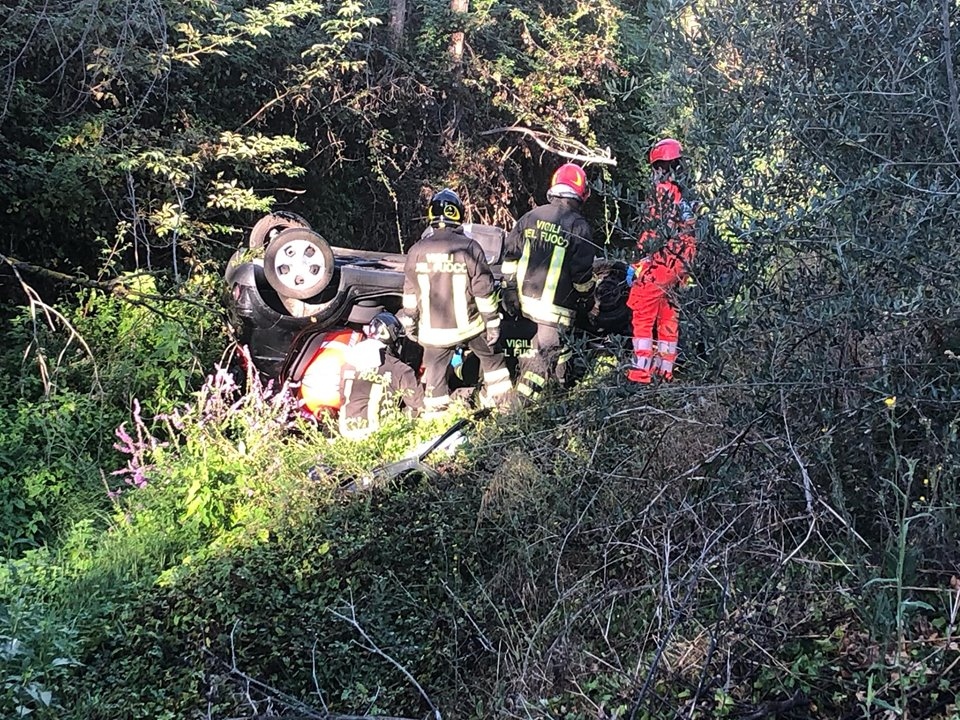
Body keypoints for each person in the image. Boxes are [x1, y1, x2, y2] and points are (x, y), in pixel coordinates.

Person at [398, 188, 513, 415]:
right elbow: (484, 292)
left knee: (435, 376)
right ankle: (503, 408)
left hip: (434, 333)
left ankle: (436, 419)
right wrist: (492, 324)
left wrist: (410, 323)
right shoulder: (469, 248)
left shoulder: (416, 251)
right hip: (470, 327)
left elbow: (410, 293)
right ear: (458, 214)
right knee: (493, 362)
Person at [501, 162, 597, 402]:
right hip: (554, 310)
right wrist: (588, 300)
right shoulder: (578, 227)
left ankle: (559, 393)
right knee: (544, 357)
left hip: (524, 301)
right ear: (582, 193)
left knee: (552, 350)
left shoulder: (530, 217)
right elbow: (582, 276)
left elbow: (510, 257)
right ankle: (518, 409)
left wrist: (509, 290)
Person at [626, 137, 697, 383]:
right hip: (681, 264)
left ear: (659, 167)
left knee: (642, 310)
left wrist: (638, 263)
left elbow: (652, 234)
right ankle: (665, 370)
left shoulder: (662, 193)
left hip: (662, 261)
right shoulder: (687, 196)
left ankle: (641, 372)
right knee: (668, 315)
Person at [338, 312, 424, 440]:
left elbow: (342, 396)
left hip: (346, 433)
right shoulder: (400, 369)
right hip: (380, 436)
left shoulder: (348, 363)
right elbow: (418, 406)